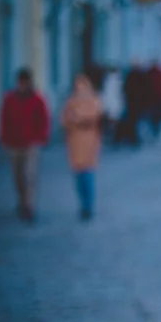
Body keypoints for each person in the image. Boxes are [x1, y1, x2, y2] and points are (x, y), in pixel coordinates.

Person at [0, 68, 50, 223]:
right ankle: (21, 201)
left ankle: (29, 205)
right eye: (20, 82)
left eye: (25, 82)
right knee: (17, 177)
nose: (23, 85)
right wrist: (3, 137)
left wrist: (41, 137)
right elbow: (4, 119)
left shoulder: (37, 99)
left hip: (31, 143)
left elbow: (44, 119)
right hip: (13, 143)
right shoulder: (9, 99)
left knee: (30, 175)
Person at [61, 73, 103, 221]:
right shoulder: (70, 102)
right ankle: (83, 204)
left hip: (89, 143)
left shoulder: (93, 101)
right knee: (78, 177)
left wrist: (78, 118)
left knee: (87, 175)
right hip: (75, 143)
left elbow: (94, 117)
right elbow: (65, 120)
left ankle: (88, 205)